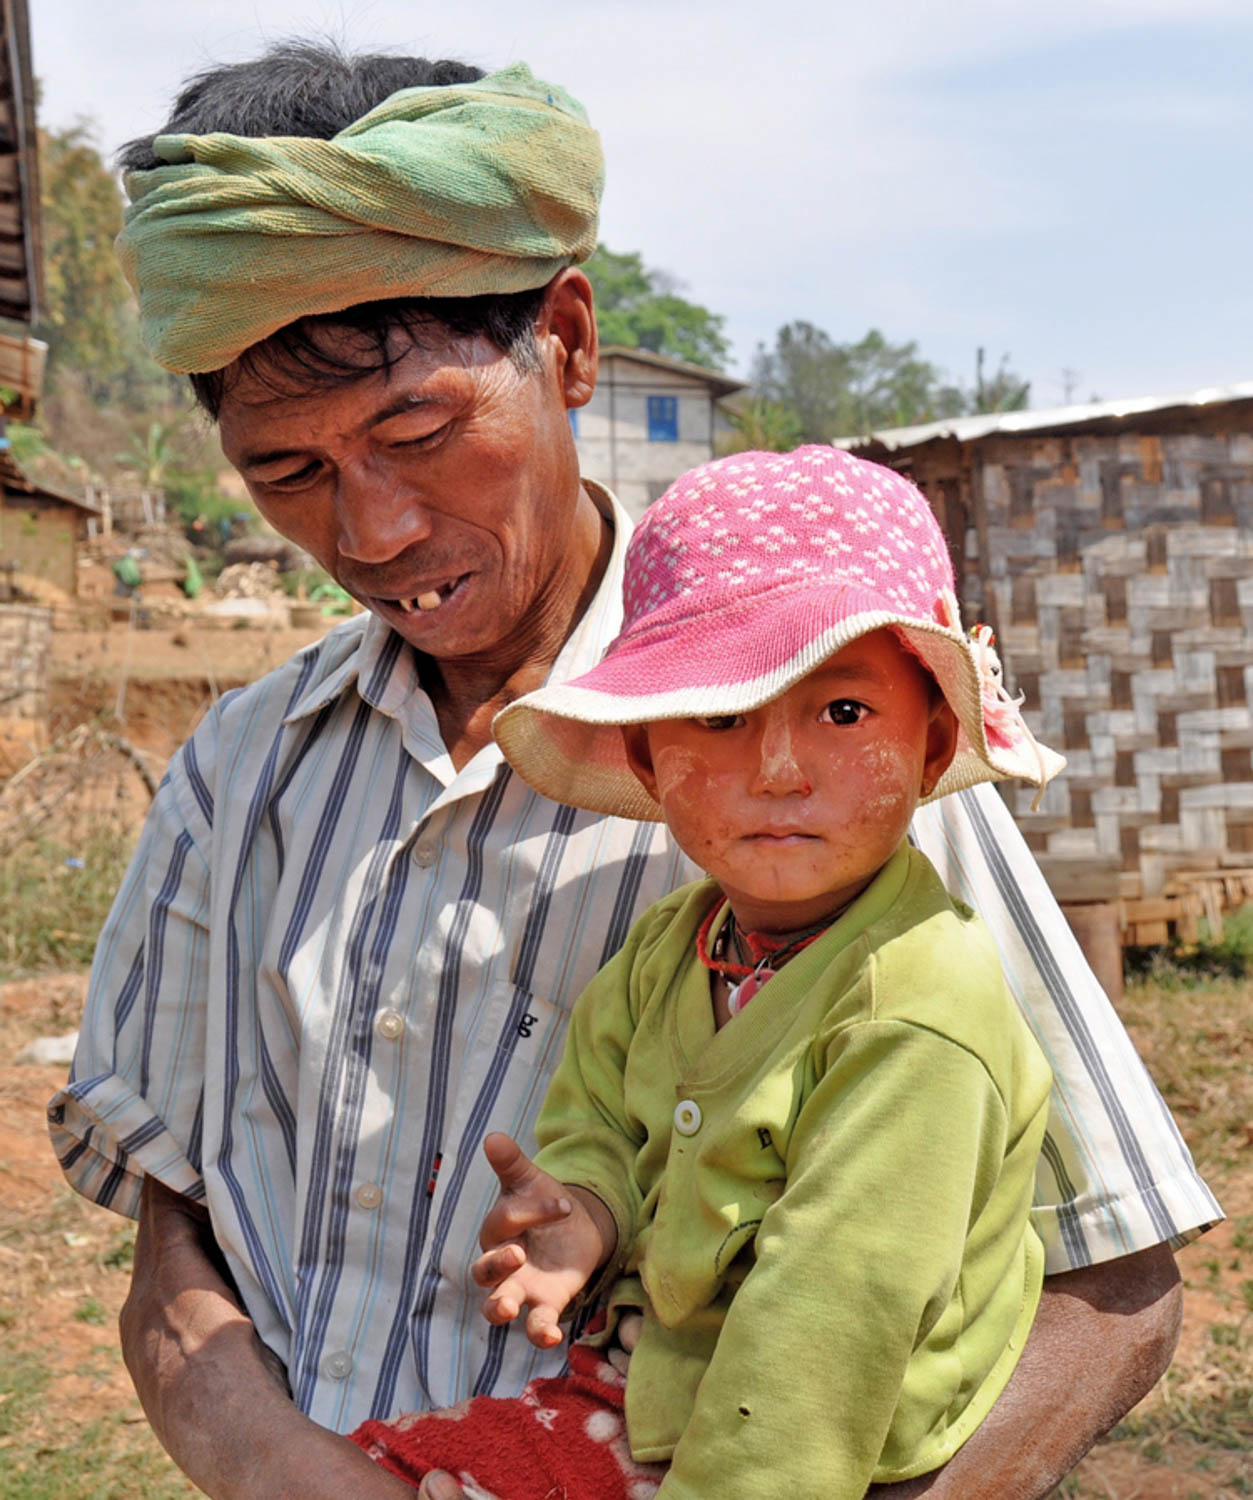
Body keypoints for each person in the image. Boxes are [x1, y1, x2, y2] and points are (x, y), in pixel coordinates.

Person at [47, 40, 1218, 1500]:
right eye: (288, 472)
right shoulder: (239, 773)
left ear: (572, 345)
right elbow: (175, 1247)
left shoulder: (809, 756)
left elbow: (1112, 1281)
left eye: (419, 431)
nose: (375, 529)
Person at [346, 446, 1060, 1499]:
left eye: (843, 712)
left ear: (930, 742)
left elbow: (824, 1330)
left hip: (804, 1449)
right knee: (368, 1471)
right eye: (720, 719)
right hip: (655, 1393)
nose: (777, 770)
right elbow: (596, 1106)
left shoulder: (913, 1007)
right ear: (646, 761)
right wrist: (584, 1207)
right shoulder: (672, 948)